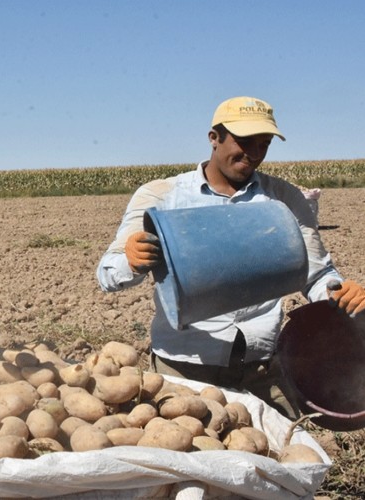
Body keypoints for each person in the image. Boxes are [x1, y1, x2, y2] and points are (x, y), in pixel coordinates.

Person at [96, 96, 365, 419]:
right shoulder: (161, 196)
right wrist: (132, 260)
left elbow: (317, 274)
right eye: (244, 141)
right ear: (214, 137)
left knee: (278, 458)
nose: (253, 153)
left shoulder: (284, 199)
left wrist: (339, 293)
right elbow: (108, 274)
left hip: (261, 369)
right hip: (184, 369)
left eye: (263, 144)